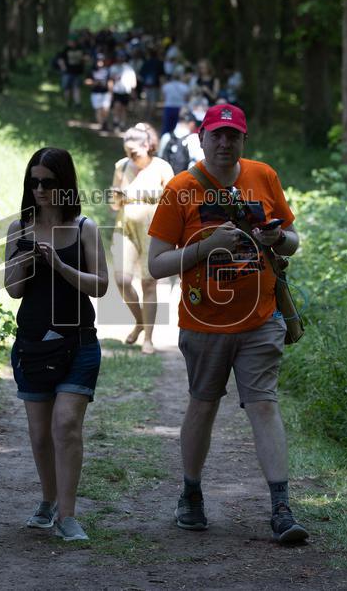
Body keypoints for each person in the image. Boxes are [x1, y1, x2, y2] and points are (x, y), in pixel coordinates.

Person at [146, 103, 308, 544]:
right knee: (203, 404)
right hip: (204, 323)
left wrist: (278, 238)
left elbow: (293, 242)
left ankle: (281, 507)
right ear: (201, 138)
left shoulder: (264, 176)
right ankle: (191, 494)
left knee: (264, 405)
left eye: (232, 136)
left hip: (261, 318)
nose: (224, 143)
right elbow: (157, 264)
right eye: (216, 135)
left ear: (243, 140)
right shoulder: (181, 189)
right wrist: (206, 247)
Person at [4, 148, 109, 542]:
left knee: (65, 424)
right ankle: (48, 502)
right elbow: (13, 290)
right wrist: (26, 260)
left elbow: (100, 286)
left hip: (78, 340)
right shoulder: (19, 228)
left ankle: (68, 515)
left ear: (65, 184)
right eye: (33, 182)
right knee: (39, 432)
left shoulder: (84, 227)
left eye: (48, 182)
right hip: (32, 342)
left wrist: (62, 266)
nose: (40, 189)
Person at [109, 124, 174, 354]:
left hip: (153, 232)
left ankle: (148, 337)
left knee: (148, 282)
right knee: (121, 280)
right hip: (124, 227)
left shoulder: (162, 168)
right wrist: (116, 198)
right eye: (127, 152)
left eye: (134, 153)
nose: (131, 157)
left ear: (147, 146)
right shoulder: (122, 166)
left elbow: (173, 202)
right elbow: (113, 204)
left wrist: (141, 195)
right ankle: (139, 320)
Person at [158, 108, 203, 176]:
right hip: (185, 182)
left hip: (166, 181)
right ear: (192, 123)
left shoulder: (166, 137)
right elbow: (201, 162)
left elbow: (159, 158)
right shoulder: (194, 139)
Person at [109, 51, 137, 131]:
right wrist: (110, 92)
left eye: (122, 57)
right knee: (117, 107)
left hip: (126, 91)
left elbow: (133, 81)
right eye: (119, 57)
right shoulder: (113, 67)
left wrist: (133, 91)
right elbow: (111, 80)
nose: (120, 59)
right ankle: (116, 122)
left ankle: (122, 123)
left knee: (124, 108)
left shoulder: (129, 68)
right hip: (117, 91)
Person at [85, 53, 112, 130]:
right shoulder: (91, 70)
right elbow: (86, 81)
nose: (100, 62)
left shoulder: (107, 70)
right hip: (95, 93)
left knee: (105, 109)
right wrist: (94, 83)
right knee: (98, 110)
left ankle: (105, 122)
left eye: (102, 60)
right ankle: (102, 125)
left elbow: (110, 81)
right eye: (98, 60)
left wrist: (111, 92)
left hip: (105, 93)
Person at [57, 37, 87, 108]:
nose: (71, 43)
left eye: (72, 41)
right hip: (67, 72)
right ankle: (67, 102)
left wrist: (84, 60)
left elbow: (86, 57)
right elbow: (60, 59)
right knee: (67, 88)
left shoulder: (80, 48)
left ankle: (77, 103)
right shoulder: (66, 49)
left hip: (77, 72)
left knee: (77, 87)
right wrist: (63, 68)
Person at [160, 70, 190, 137]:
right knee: (179, 127)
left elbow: (163, 98)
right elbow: (187, 99)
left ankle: (164, 141)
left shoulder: (166, 86)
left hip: (169, 107)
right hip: (180, 108)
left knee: (167, 127)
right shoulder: (184, 86)